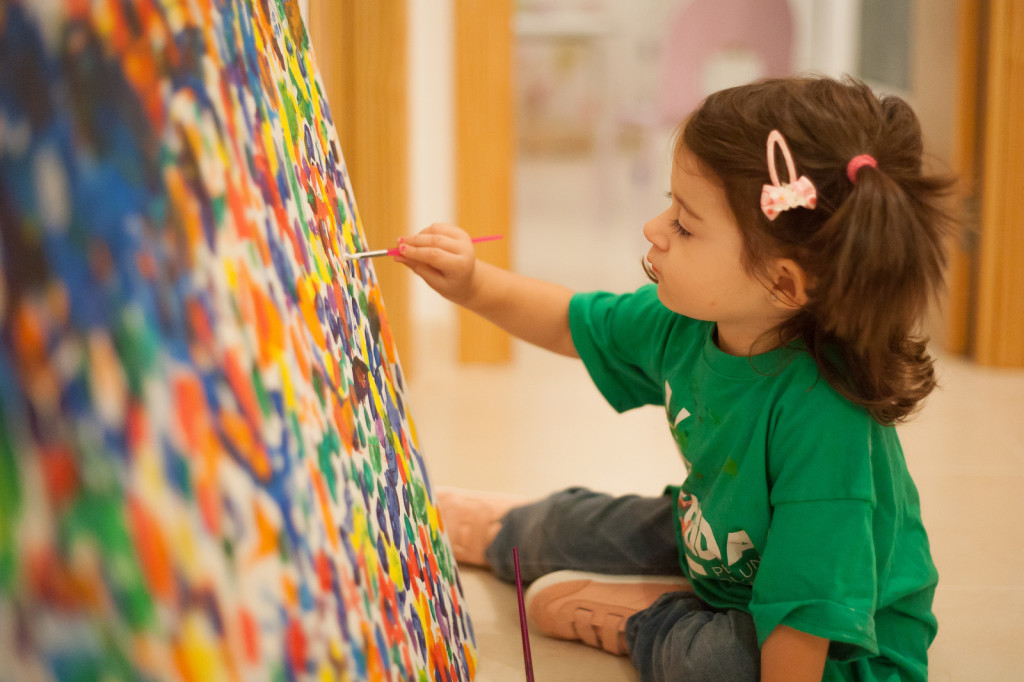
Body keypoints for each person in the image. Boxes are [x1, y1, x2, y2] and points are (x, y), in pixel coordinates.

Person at [395, 76, 951, 681]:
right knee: (564, 524)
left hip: (838, 644)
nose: (654, 229)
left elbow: (806, 617)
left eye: (685, 225)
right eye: (671, 206)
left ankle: (648, 615)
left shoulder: (827, 423)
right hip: (722, 542)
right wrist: (473, 284)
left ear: (784, 284)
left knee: (715, 664)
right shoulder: (687, 320)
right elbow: (568, 322)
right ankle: (513, 528)